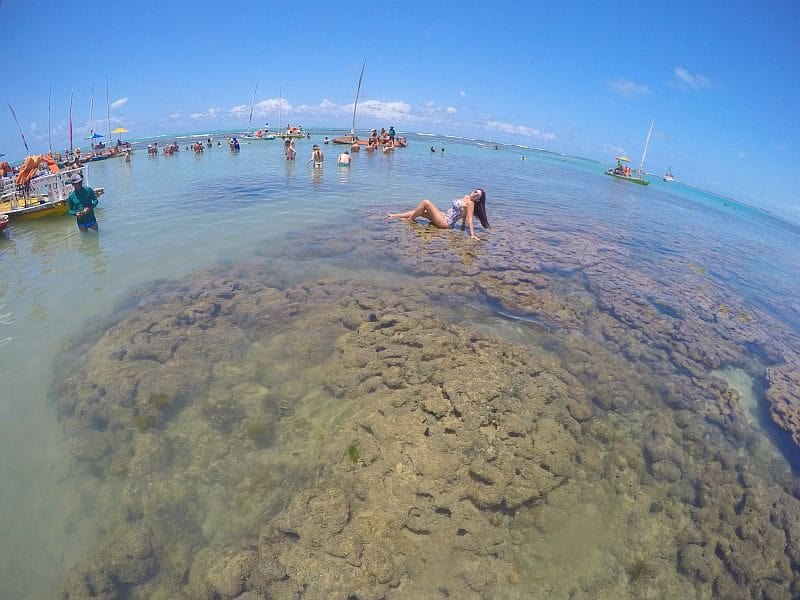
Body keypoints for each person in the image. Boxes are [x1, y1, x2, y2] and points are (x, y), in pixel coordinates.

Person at [388, 188, 490, 241]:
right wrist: (462, 226)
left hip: (446, 223)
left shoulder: (471, 204)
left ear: (478, 200)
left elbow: (469, 218)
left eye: (478, 195)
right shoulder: (466, 197)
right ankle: (396, 215)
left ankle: (409, 220)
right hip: (444, 216)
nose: (475, 194)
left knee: (425, 202)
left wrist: (472, 235)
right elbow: (463, 215)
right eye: (476, 192)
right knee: (420, 211)